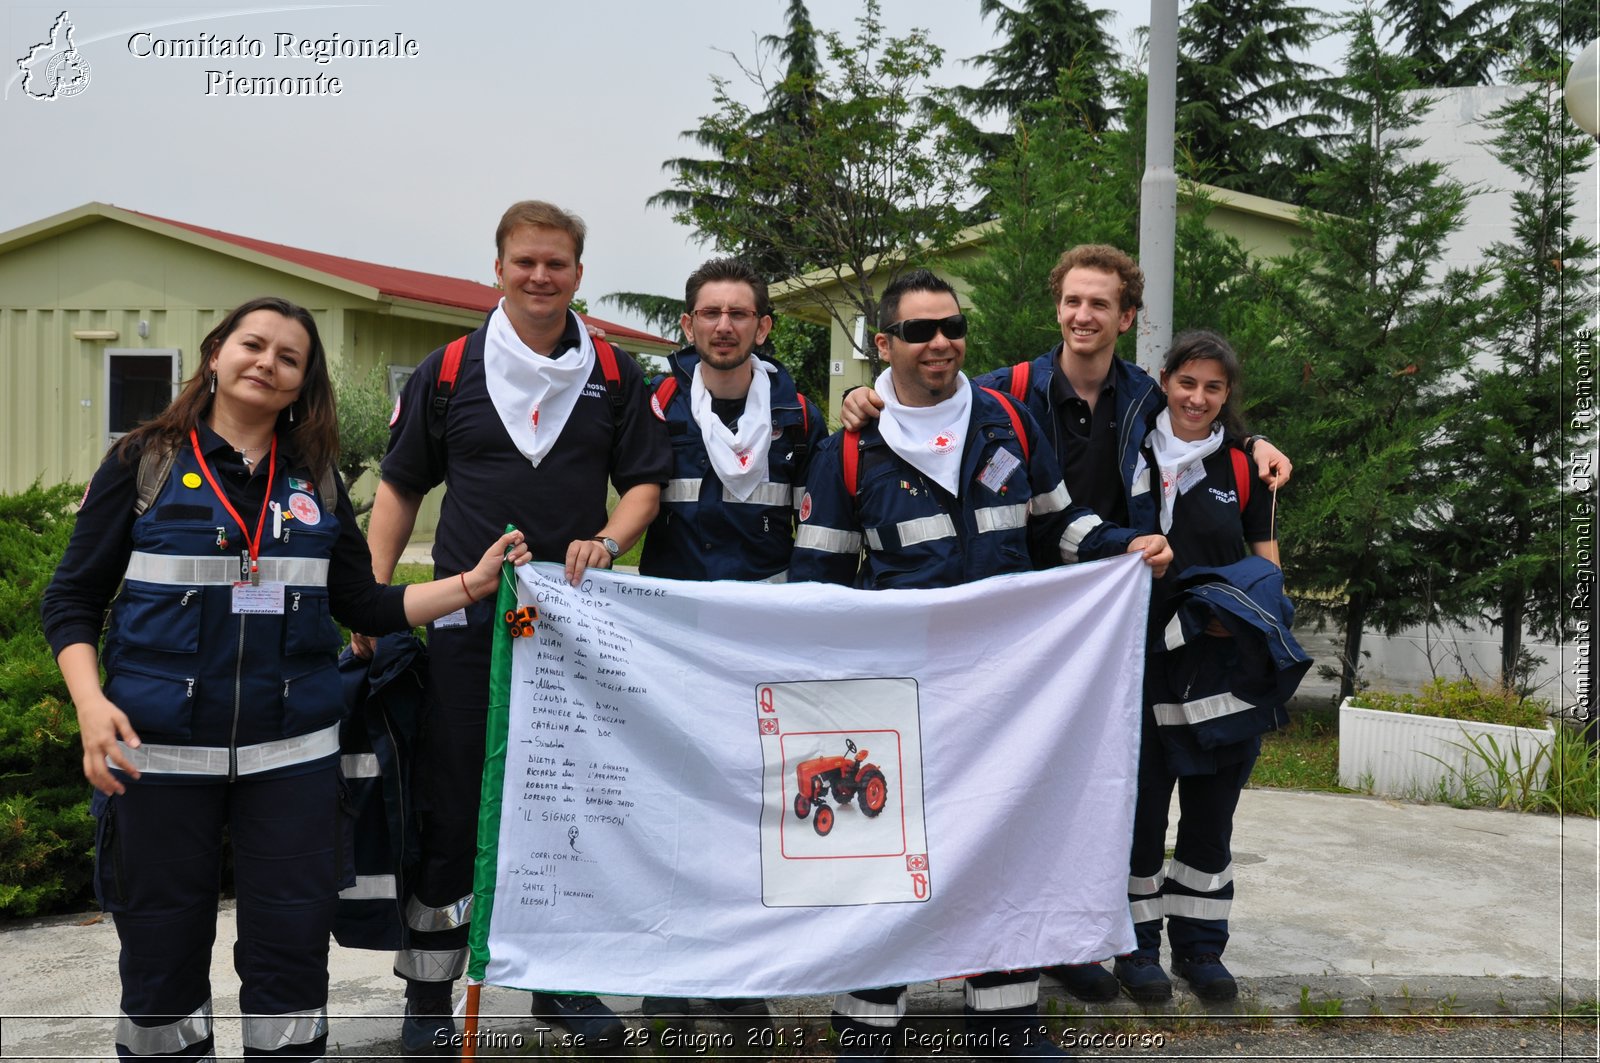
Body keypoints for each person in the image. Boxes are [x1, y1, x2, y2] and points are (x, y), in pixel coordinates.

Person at [41, 296, 532, 1062]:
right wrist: (90, 704)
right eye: (253, 344)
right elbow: (71, 598)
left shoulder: (316, 483)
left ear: (302, 386)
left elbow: (363, 602)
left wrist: (471, 582)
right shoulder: (146, 461)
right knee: (160, 962)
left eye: (289, 357)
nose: (267, 362)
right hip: (158, 759)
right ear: (216, 354)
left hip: (294, 767)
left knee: (292, 958)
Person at [840, 244, 1293, 1004]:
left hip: (1107, 627)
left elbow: (1203, 418)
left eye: (1101, 304)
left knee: (1077, 794)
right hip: (1015, 632)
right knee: (979, 800)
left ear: (1127, 316)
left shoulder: (1148, 396)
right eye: (1073, 301)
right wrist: (865, 398)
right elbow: (926, 405)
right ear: (1058, 306)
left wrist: (1254, 443)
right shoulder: (1006, 395)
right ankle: (909, 978)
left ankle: (1066, 940)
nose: (1084, 316)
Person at [790, 270, 1171, 1060]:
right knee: (890, 857)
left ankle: (1003, 1020)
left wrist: (1122, 546)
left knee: (1004, 841)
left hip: (1005, 688)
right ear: (884, 344)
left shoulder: (1007, 420)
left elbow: (1059, 524)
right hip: (900, 694)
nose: (940, 343)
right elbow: (816, 590)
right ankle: (868, 1023)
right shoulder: (849, 451)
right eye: (920, 330)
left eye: (952, 326)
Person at [355, 200, 671, 1055]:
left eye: (557, 263)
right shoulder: (449, 368)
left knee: (564, 805)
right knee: (452, 805)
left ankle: (559, 985)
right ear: (497, 269)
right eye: (525, 262)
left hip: (569, 630)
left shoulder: (614, 369)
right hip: (465, 622)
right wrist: (371, 603)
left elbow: (645, 482)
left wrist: (609, 540)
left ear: (578, 273)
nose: (540, 276)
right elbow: (400, 490)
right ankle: (429, 992)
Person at [635, 258, 824, 1035]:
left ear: (763, 326)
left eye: (739, 313)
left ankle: (740, 974)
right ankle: (667, 974)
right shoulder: (650, 407)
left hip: (761, 635)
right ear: (687, 326)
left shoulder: (800, 415)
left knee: (753, 806)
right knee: (671, 801)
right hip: (672, 635)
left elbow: (820, 518)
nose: (723, 325)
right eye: (708, 313)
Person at [1122, 330, 1305, 1004]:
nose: (1197, 397)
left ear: (1228, 396)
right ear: (1164, 379)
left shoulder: (1243, 468)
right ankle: (1136, 947)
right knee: (1139, 811)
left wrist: (1258, 619)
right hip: (1141, 663)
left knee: (1210, 814)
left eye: (1213, 387)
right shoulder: (1129, 452)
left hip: (1221, 667)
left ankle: (1200, 948)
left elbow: (1267, 560)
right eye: (1187, 382)